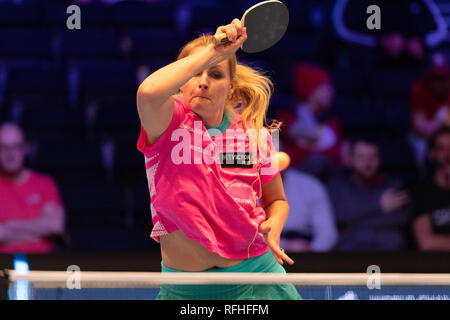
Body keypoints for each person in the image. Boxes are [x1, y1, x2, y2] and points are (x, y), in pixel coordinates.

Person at [136, 19, 301, 300]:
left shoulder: (254, 135)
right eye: (195, 73)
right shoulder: (168, 123)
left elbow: (277, 200)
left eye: (215, 74)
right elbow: (149, 91)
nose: (203, 82)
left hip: (256, 277)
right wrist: (215, 49)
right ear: (180, 83)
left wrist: (276, 223)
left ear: (231, 87)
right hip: (185, 290)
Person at [327, 136, 412, 251]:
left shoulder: (394, 184)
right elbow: (338, 216)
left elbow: (402, 218)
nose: (368, 162)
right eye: (361, 157)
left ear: (380, 158)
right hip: (349, 254)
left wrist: (352, 224)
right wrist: (378, 204)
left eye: (373, 156)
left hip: (390, 252)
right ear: (350, 159)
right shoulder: (337, 185)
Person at [0, 123, 65, 253]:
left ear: (25, 149)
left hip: (43, 264)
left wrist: (9, 226)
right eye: (3, 147)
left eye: (15, 146)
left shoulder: (45, 183)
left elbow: (55, 226)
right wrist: (39, 231)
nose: (10, 153)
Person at [276, 63, 342, 181]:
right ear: (311, 90)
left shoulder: (332, 121)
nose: (331, 92)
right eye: (325, 88)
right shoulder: (287, 120)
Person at [280, 168, 338, 252]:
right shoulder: (253, 185)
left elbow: (327, 234)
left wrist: (312, 252)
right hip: (260, 256)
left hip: (305, 252)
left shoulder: (310, 185)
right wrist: (285, 245)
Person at [412, 126, 450, 251]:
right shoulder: (423, 192)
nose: (448, 155)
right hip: (435, 265)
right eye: (441, 148)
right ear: (431, 153)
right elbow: (426, 242)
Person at [409, 65, 450, 167]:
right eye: (435, 79)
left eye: (443, 79)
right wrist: (439, 122)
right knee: (421, 145)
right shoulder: (420, 88)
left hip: (446, 135)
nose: (439, 83)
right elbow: (420, 127)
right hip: (427, 138)